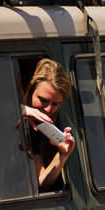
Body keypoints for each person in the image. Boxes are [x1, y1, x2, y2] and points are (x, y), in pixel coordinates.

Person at [20, 58, 75, 190]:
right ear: (31, 89)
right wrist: (21, 110)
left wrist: (62, 155)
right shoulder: (19, 114)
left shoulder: (40, 128)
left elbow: (41, 182)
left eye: (55, 104)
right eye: (43, 100)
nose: (48, 110)